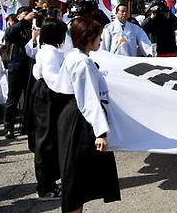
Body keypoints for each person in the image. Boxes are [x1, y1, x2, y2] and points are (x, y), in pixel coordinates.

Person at [56, 17, 120, 212]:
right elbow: (89, 99)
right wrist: (100, 132)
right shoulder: (82, 62)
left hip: (72, 114)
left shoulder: (74, 56)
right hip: (79, 119)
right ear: (88, 37)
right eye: (98, 36)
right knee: (75, 178)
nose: (100, 40)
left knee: (78, 178)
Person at [30, 18, 68, 200]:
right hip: (49, 95)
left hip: (44, 92)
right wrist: (69, 89)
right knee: (45, 140)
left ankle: (48, 183)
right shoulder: (51, 52)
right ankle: (45, 187)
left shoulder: (46, 49)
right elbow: (52, 77)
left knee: (47, 138)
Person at [2, 6, 35, 139]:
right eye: (25, 14)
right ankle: (8, 127)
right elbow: (9, 34)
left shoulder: (31, 28)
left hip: (30, 66)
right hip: (15, 66)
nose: (29, 16)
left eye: (29, 14)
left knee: (29, 98)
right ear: (19, 15)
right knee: (13, 98)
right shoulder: (15, 27)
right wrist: (24, 21)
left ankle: (26, 125)